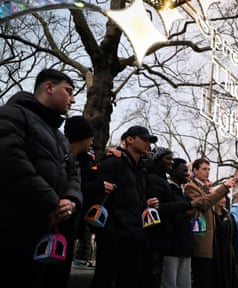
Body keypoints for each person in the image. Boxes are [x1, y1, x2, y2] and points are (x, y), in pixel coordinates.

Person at [0, 69, 82, 288]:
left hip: (47, 233)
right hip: (13, 229)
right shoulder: (12, 114)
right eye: (69, 91)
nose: (73, 99)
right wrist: (51, 202)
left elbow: (73, 175)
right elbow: (10, 161)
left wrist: (71, 201)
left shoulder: (61, 138)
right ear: (49, 87)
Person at [90, 125, 158, 288]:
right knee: (104, 280)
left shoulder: (141, 170)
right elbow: (99, 196)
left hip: (135, 237)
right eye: (144, 139)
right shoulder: (113, 163)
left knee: (129, 281)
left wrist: (145, 205)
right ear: (129, 139)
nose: (147, 144)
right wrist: (107, 231)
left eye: (149, 141)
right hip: (113, 238)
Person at [144, 148, 200, 288]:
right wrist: (186, 208)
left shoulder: (167, 183)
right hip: (168, 244)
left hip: (179, 244)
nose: (171, 161)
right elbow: (160, 210)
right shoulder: (156, 181)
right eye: (168, 159)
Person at [183, 158, 237, 288]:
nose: (207, 172)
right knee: (203, 279)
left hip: (213, 242)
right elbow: (204, 203)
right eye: (204, 169)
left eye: (209, 169)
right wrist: (223, 187)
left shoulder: (206, 188)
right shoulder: (191, 186)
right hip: (201, 241)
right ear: (195, 170)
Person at [64, 115, 98, 270]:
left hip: (76, 217)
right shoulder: (61, 157)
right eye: (90, 137)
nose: (92, 141)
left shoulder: (86, 162)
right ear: (81, 137)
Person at [160, 157, 197, 288]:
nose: (187, 174)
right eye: (184, 170)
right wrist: (186, 213)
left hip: (184, 246)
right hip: (172, 247)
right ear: (173, 172)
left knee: (184, 283)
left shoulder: (182, 192)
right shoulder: (168, 189)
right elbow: (167, 215)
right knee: (170, 283)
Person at [213, 195, 238, 288]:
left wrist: (235, 254)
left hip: (228, 253)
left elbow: (234, 236)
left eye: (224, 198)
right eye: (220, 197)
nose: (223, 200)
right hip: (215, 253)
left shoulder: (229, 216)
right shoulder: (211, 216)